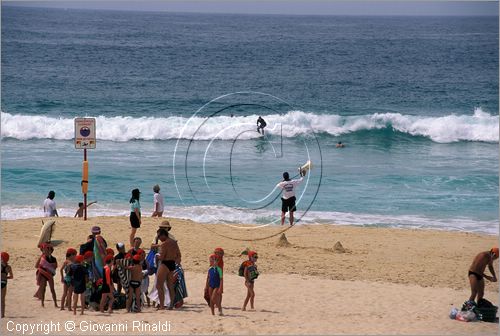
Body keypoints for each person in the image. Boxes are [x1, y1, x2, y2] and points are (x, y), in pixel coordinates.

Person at [156, 228, 181, 310]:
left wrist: (157, 256)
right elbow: (179, 255)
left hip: (165, 264)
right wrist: (176, 262)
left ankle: (162, 305)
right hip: (172, 264)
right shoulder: (174, 242)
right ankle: (171, 305)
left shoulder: (164, 244)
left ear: (163, 235)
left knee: (159, 285)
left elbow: (162, 257)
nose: (158, 238)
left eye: (159, 236)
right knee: (170, 285)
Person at [35, 243, 58, 308]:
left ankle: (55, 304)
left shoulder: (54, 258)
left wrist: (50, 268)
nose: (47, 251)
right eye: (46, 250)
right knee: (43, 289)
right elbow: (36, 266)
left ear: (51, 251)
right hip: (43, 274)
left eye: (49, 250)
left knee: (52, 289)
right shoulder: (42, 257)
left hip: (50, 275)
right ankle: (42, 303)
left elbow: (55, 266)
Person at [1, 252, 14, 318]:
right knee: (2, 299)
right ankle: (2, 314)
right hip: (4, 282)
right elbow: (11, 276)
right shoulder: (8, 267)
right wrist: (5, 277)